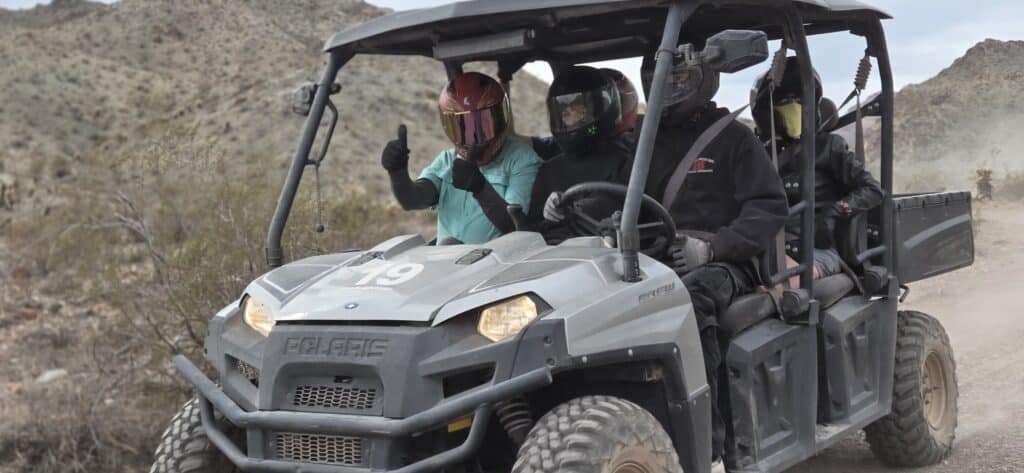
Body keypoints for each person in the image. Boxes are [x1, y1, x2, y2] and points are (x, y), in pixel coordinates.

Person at [641, 49, 789, 471]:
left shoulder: (732, 138)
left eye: (678, 78)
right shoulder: (644, 142)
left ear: (702, 78)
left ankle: (708, 445)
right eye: (659, 78)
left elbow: (769, 206)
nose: (668, 87)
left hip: (729, 260)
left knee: (690, 297)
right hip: (659, 255)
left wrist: (713, 248)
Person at [751, 56, 884, 280]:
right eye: (783, 101)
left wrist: (836, 210)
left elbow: (873, 189)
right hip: (766, 249)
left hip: (816, 251)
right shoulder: (757, 153)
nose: (793, 106)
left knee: (770, 292)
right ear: (768, 110)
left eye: (799, 99)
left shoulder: (828, 147)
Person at [380, 72, 542, 244]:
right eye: (463, 128)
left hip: (499, 264)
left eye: (483, 126)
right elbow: (412, 200)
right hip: (448, 263)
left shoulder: (523, 160)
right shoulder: (448, 160)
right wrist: (398, 173)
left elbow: (515, 226)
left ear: (500, 119)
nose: (473, 138)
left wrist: (479, 187)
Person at [527, 66, 634, 241]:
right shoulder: (549, 171)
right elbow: (532, 231)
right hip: (554, 257)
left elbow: (619, 205)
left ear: (601, 109)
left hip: (605, 254)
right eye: (562, 113)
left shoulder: (625, 159)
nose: (566, 120)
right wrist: (549, 211)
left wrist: (574, 206)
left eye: (578, 111)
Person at [530, 67, 640, 161]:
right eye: (565, 113)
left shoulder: (635, 156)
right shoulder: (552, 157)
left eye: (581, 112)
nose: (571, 119)